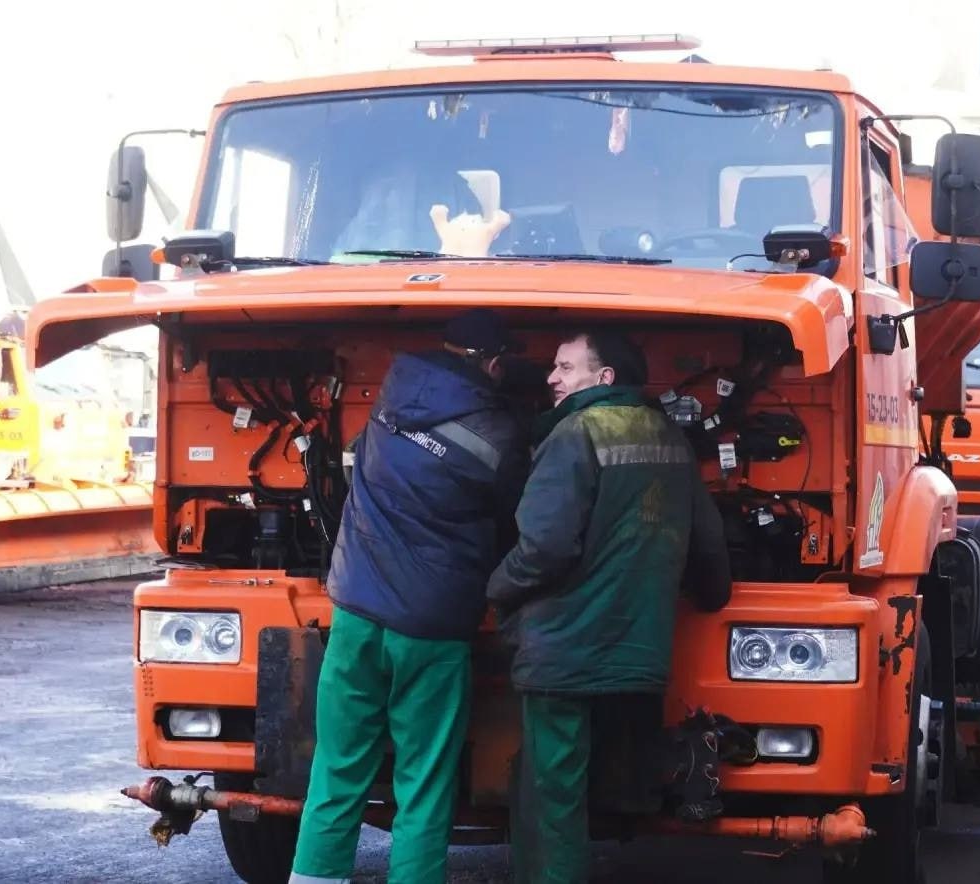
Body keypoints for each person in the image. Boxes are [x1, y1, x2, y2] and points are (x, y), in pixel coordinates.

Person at [486, 328, 732, 884]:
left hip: (562, 654)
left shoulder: (575, 433)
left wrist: (494, 587)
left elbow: (544, 547)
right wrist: (714, 594)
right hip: (638, 654)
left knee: (550, 800)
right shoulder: (670, 438)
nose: (551, 378)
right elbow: (707, 541)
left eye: (565, 367)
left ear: (604, 379)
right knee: (611, 780)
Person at [291, 308, 527, 884]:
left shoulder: (391, 395)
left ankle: (314, 878)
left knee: (338, 764)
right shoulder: (501, 436)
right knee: (423, 777)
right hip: (433, 626)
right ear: (495, 366)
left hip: (356, 610)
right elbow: (519, 518)